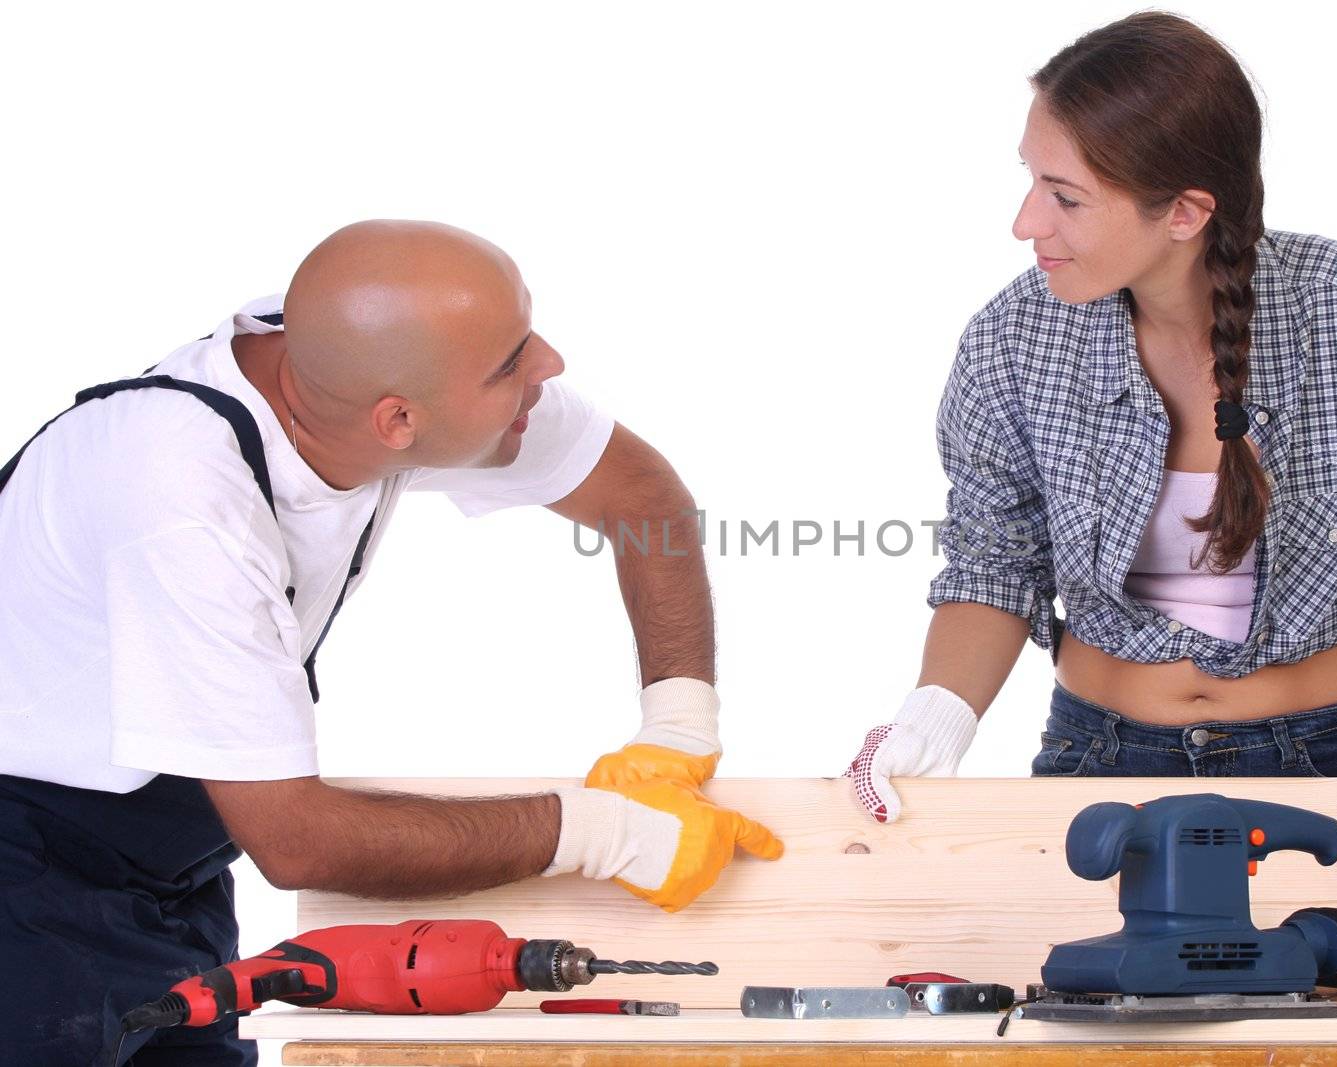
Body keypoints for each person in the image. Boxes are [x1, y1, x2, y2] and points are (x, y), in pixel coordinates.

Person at [0, 220, 782, 1066]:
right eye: (513, 360)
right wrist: (607, 832)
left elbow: (640, 496)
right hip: (27, 880)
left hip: (171, 861)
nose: (549, 363)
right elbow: (297, 839)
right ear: (398, 419)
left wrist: (678, 729)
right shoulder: (179, 500)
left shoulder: (350, 376)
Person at [845, 12, 1337, 892]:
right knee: (1087, 1018)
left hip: (1330, 769)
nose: (1026, 222)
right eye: (1031, 179)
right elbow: (995, 566)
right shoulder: (1012, 339)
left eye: (1066, 196)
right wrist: (933, 712)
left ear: (1185, 212)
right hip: (1099, 762)